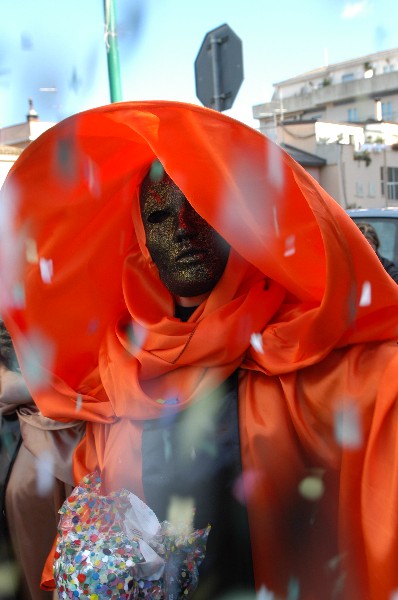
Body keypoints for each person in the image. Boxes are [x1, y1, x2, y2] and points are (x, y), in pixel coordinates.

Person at [1, 100, 398, 600]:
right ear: (141, 238)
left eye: (200, 207)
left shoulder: (299, 356)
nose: (182, 230)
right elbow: (93, 509)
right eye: (161, 215)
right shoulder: (120, 377)